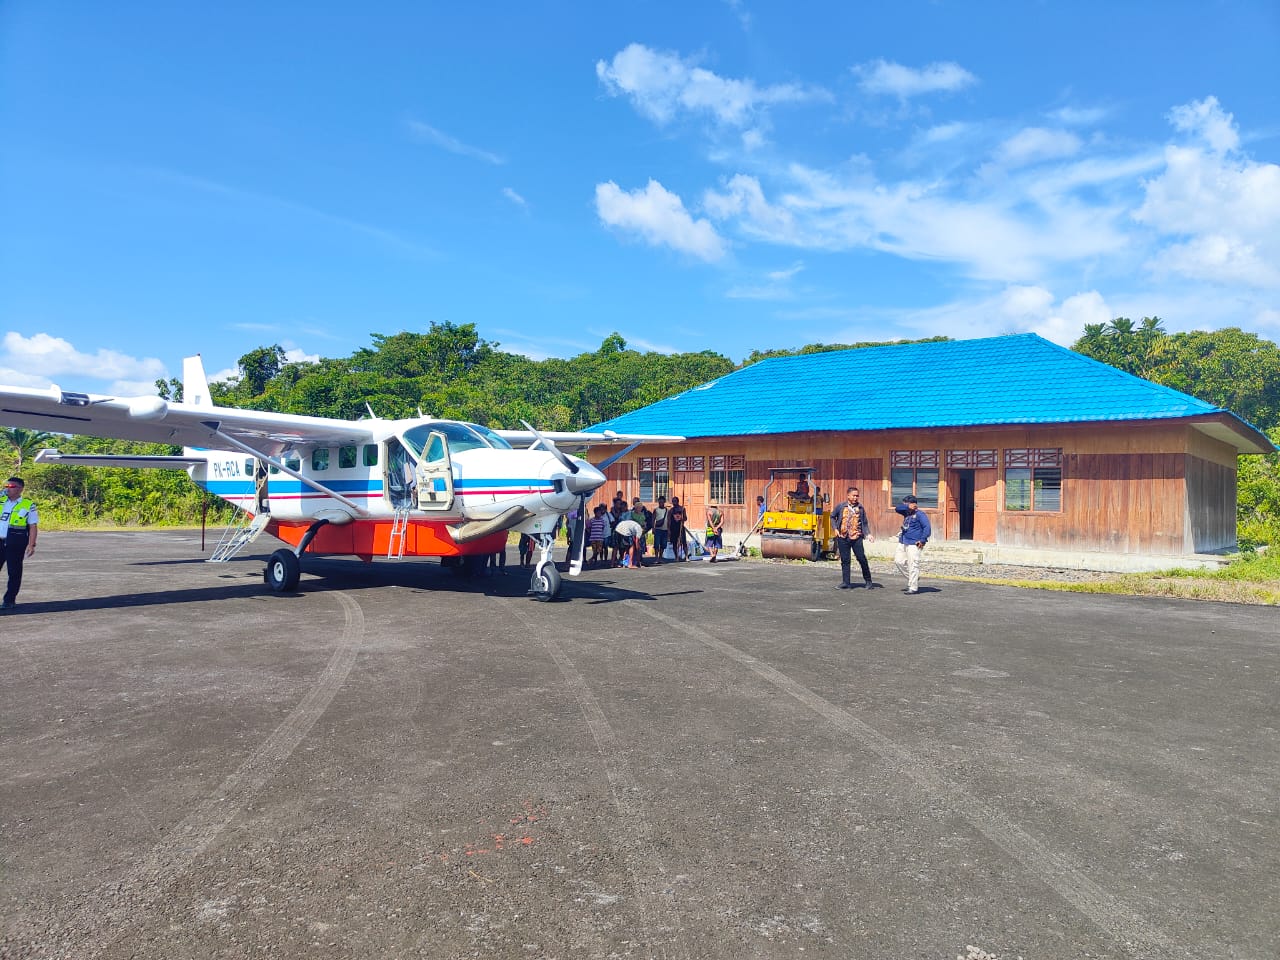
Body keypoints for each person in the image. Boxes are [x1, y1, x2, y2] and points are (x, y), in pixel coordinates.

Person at [1, 476, 39, 611]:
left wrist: (31, 544)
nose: (7, 489)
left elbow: (33, 526)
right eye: (6, 486)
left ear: (20, 489)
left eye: (11, 487)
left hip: (16, 542)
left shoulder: (28, 504)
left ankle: (9, 600)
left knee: (14, 572)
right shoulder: (1, 500)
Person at [831, 486, 874, 589]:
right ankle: (846, 582)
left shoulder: (860, 508)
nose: (855, 497)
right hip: (843, 536)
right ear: (848, 495)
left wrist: (868, 534)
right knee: (845, 560)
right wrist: (835, 529)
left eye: (857, 496)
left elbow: (864, 523)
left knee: (861, 558)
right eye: (853, 495)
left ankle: (868, 581)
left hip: (856, 537)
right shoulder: (841, 506)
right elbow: (832, 516)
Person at [894, 495, 931, 594]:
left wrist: (923, 540)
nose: (904, 505)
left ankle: (913, 587)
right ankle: (913, 578)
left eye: (906, 503)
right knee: (898, 561)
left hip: (914, 542)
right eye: (904, 504)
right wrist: (907, 507)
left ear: (914, 504)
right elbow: (897, 508)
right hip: (903, 540)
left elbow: (927, 527)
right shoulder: (906, 512)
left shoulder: (920, 514)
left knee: (913, 564)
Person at [667, 496, 688, 561]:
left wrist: (682, 518)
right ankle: (676, 557)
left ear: (678, 501)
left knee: (684, 542)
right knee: (674, 543)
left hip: (680, 527)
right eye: (673, 501)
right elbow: (669, 520)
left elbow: (685, 518)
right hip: (673, 528)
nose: (674, 502)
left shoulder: (682, 509)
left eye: (675, 501)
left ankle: (686, 557)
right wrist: (669, 530)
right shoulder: (671, 510)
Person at [651, 496, 669, 561]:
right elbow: (653, 519)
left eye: (662, 502)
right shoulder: (656, 510)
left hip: (665, 529)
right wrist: (653, 528)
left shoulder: (667, 510)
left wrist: (669, 529)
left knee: (663, 544)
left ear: (664, 502)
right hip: (658, 529)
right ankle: (656, 557)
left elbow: (669, 520)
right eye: (659, 502)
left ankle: (660, 557)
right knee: (656, 543)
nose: (661, 503)